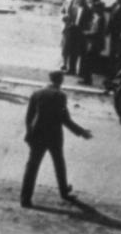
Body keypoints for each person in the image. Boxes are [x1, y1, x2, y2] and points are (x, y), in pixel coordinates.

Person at [21, 70, 92, 207]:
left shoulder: (36, 94)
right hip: (54, 136)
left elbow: (29, 117)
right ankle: (64, 192)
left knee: (32, 166)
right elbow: (65, 119)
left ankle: (25, 199)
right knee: (59, 164)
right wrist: (81, 132)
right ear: (60, 81)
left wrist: (29, 134)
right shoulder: (60, 96)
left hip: (38, 135)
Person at [80, 0, 107, 85]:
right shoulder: (97, 17)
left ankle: (87, 79)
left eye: (96, 7)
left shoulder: (101, 18)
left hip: (96, 43)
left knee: (89, 61)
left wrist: (87, 33)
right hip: (93, 42)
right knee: (88, 61)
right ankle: (86, 78)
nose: (94, 9)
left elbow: (97, 32)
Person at [62, 0, 88, 74]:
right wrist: (69, 23)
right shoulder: (74, 7)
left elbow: (89, 21)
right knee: (71, 50)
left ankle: (80, 71)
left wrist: (84, 30)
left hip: (80, 32)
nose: (81, 0)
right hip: (72, 30)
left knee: (78, 51)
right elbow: (70, 17)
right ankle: (71, 69)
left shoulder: (87, 9)